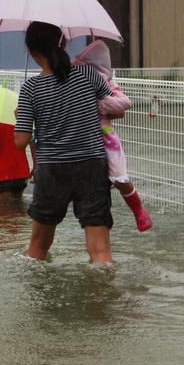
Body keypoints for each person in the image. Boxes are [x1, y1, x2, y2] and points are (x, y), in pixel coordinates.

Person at [13, 22, 115, 264]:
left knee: (37, 250)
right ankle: (103, 295)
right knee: (100, 251)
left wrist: (20, 118)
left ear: (31, 50)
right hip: (92, 166)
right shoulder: (88, 75)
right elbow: (115, 108)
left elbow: (21, 141)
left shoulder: (31, 88)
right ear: (63, 43)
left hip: (52, 171)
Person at [73, 40, 153, 232]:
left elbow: (124, 103)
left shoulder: (109, 86)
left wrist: (101, 103)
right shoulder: (75, 83)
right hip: (82, 139)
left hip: (106, 138)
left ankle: (138, 210)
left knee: (120, 177)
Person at [0, 118, 33, 200]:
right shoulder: (17, 117)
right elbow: (32, 140)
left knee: (3, 209)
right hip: (21, 172)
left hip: (2, 173)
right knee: (17, 206)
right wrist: (36, 165)